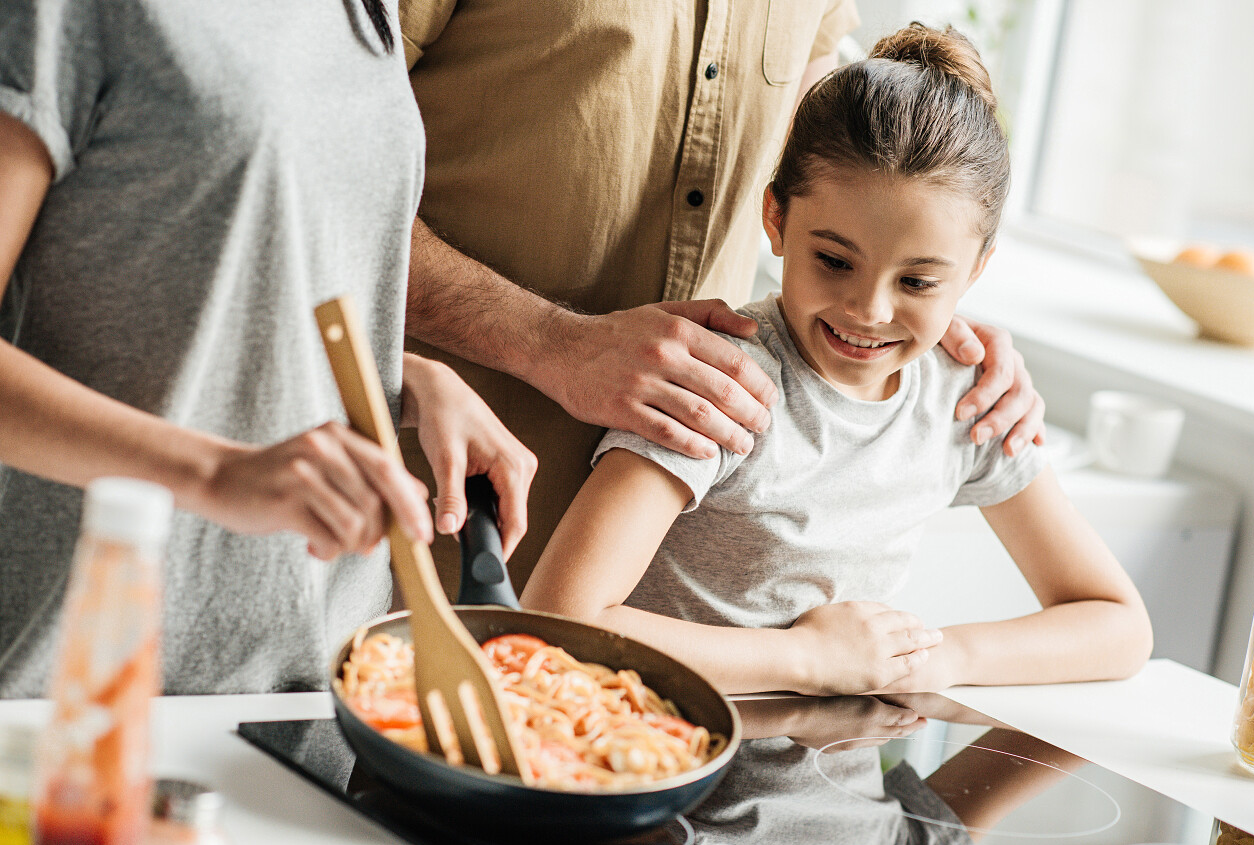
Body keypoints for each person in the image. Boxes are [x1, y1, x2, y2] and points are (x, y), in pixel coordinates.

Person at [520, 24, 1153, 701]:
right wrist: (807, 659)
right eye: (834, 261)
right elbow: (557, 621)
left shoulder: (961, 398)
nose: (869, 310)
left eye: (917, 282)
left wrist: (941, 657)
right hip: (658, 766)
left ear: (975, 271)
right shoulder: (719, 386)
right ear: (776, 219)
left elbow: (1119, 627)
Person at [395, 1, 1048, 594]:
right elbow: (308, 194)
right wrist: (551, 344)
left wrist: (924, 302)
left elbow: (841, 167)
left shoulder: (933, 388)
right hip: (408, 516)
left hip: (657, 567)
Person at [0, 0, 534, 698]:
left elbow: (200, 272)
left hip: (320, 692)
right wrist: (216, 475)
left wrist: (404, 376)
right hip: (78, 702)